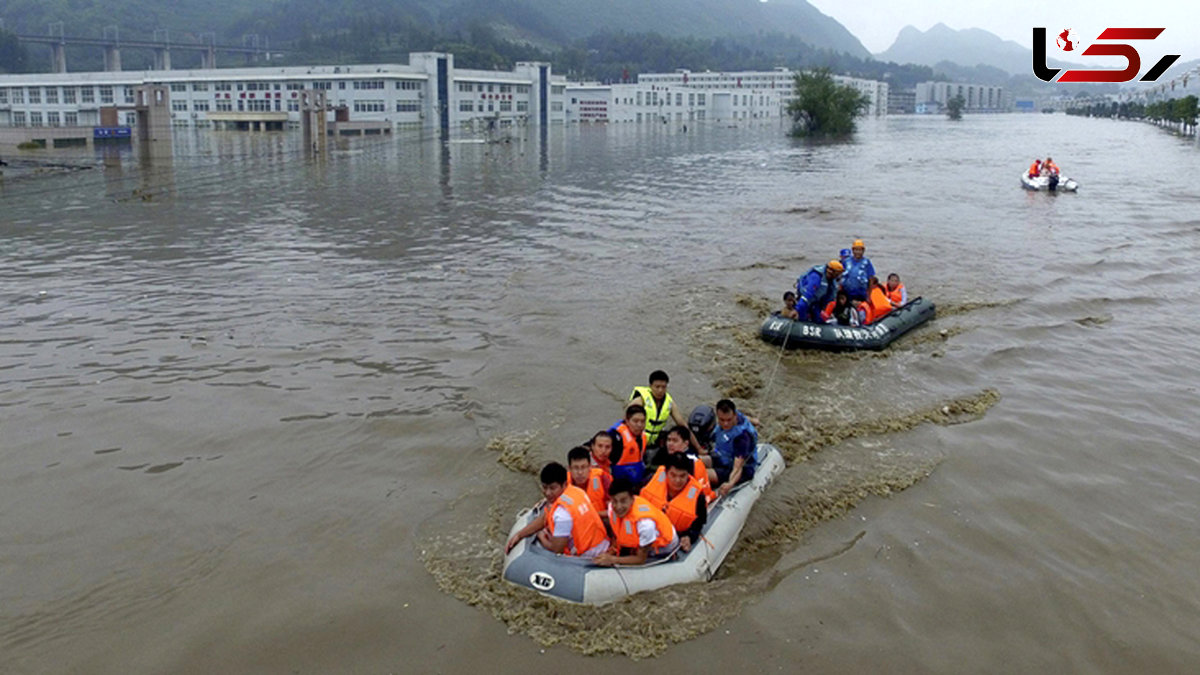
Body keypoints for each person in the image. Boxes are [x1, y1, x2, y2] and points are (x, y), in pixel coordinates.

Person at [504, 462, 610, 558]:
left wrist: (540, 536)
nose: (548, 493)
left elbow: (556, 550)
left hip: (590, 555)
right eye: (545, 488)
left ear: (564, 485)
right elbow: (545, 518)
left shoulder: (562, 514)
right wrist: (520, 534)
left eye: (552, 488)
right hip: (602, 543)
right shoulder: (577, 492)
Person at [593, 478, 678, 566]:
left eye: (623, 501)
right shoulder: (612, 506)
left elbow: (640, 560)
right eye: (615, 501)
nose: (618, 507)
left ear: (632, 500)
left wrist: (612, 559)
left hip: (663, 546)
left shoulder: (645, 525)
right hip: (639, 540)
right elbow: (609, 513)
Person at [640, 452, 708, 552]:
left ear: (688, 475)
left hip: (673, 539)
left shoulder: (698, 497)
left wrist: (689, 536)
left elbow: (698, 524)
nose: (677, 480)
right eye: (673, 475)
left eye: (682, 476)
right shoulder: (649, 482)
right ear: (666, 472)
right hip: (647, 534)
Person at [628, 370, 702, 451]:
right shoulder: (640, 400)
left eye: (663, 387)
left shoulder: (669, 403)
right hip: (637, 440)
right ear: (650, 386)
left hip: (655, 442)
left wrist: (698, 448)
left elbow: (683, 425)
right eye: (657, 387)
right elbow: (626, 422)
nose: (660, 390)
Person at [649, 426, 716, 498]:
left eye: (675, 441)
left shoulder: (691, 462)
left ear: (686, 443)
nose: (670, 444)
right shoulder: (669, 455)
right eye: (669, 440)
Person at [710, 399, 758, 496]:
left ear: (734, 416)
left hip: (740, 470)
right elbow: (746, 418)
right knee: (698, 461)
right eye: (721, 420)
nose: (725, 424)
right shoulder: (737, 415)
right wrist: (755, 421)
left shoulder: (742, 438)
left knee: (704, 473)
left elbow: (737, 468)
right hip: (724, 458)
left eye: (729, 420)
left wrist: (730, 484)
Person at [609, 404, 649, 484]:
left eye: (642, 421)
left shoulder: (643, 437)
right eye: (635, 421)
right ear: (627, 421)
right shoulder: (615, 437)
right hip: (618, 485)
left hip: (636, 478)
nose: (639, 425)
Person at [568, 445, 610, 515]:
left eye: (583, 467)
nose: (580, 472)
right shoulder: (563, 484)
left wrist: (592, 515)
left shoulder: (602, 478)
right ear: (569, 469)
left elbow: (614, 510)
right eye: (576, 468)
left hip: (600, 521)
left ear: (590, 467)